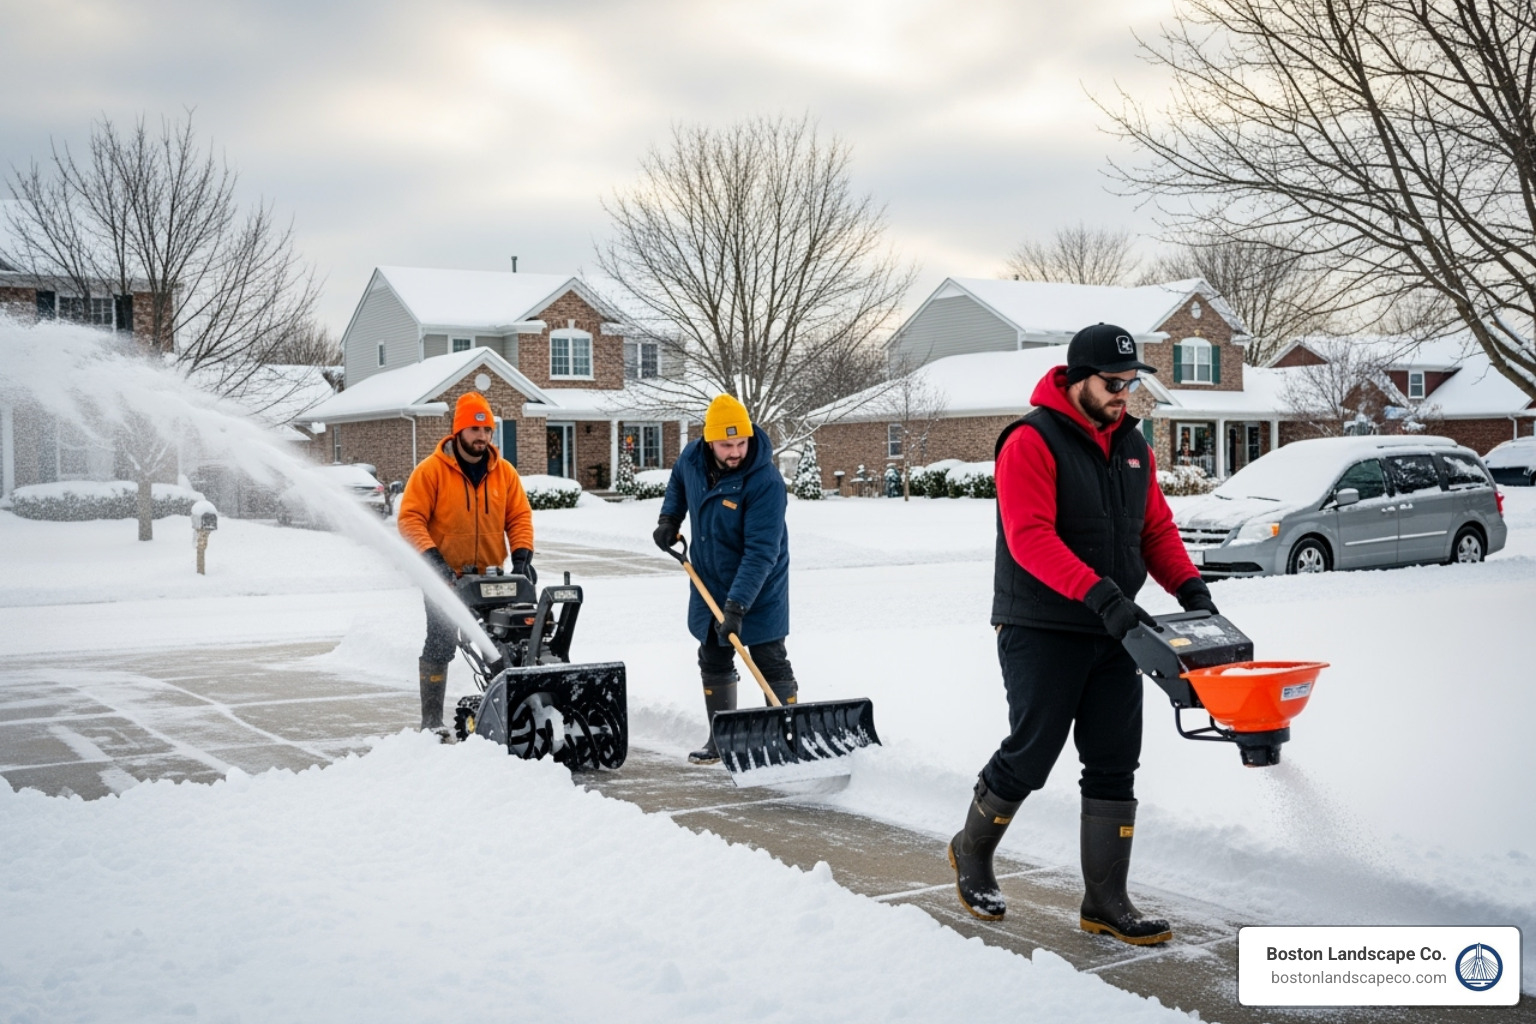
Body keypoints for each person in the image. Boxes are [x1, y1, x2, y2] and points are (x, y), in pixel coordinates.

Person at [947, 322, 1219, 945]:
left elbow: (1155, 530)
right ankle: (972, 852)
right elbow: (1031, 537)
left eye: (1132, 383)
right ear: (1075, 379)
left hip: (1116, 627)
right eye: (1114, 382)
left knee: (1114, 760)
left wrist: (1190, 590)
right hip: (1041, 625)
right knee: (1033, 753)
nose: (1125, 393)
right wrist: (1102, 595)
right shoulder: (1030, 441)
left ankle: (1105, 900)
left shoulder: (1134, 447)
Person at [652, 394, 794, 765]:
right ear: (709, 441)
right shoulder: (692, 458)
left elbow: (762, 552)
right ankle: (721, 737)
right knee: (712, 653)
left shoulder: (765, 481)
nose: (736, 452)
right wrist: (670, 519)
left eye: (741, 443)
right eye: (727, 444)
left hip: (759, 584)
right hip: (709, 577)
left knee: (768, 657)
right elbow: (679, 484)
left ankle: (785, 740)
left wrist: (737, 605)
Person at [398, 391, 535, 738]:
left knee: (510, 640)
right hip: (445, 578)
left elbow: (519, 516)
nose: (482, 437)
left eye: (487, 430)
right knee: (440, 642)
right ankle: (431, 721)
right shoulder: (431, 472)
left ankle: (514, 709)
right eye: (475, 430)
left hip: (493, 578)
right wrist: (434, 562)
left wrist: (521, 557)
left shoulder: (503, 472)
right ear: (458, 432)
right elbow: (411, 519)